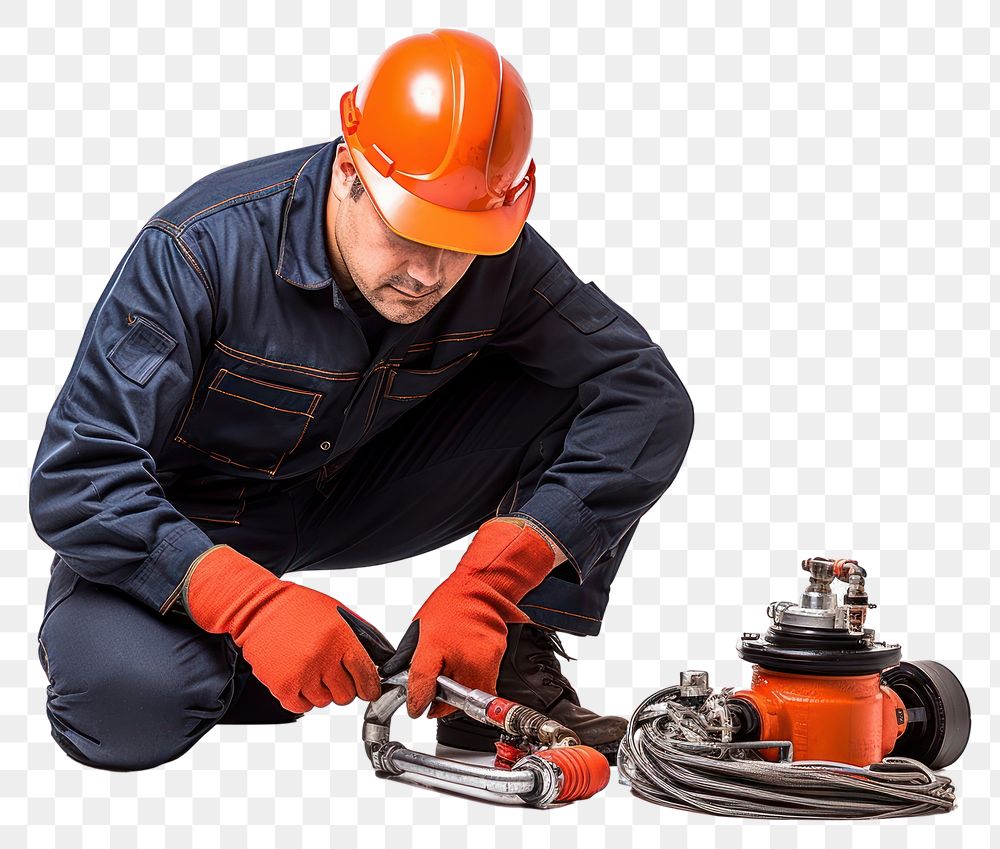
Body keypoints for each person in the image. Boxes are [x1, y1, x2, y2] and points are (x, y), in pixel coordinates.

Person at [28, 28, 694, 772]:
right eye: (408, 232)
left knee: (604, 399)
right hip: (187, 522)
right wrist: (248, 605)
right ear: (350, 168)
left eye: (462, 242)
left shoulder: (490, 259)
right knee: (130, 707)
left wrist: (488, 586)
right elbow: (76, 478)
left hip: (347, 494)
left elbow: (648, 395)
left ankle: (499, 668)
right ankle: (237, 655)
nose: (430, 273)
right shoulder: (199, 250)